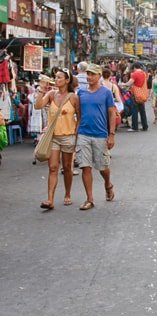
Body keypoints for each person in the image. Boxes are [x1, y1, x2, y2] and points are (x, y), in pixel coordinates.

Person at [34, 67, 81, 210]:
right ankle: (50, 199)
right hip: (53, 137)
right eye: (55, 77)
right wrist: (41, 89)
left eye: (60, 77)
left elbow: (79, 117)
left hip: (68, 137)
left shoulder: (73, 97)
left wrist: (76, 134)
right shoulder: (51, 94)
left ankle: (67, 194)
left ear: (67, 80)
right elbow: (38, 106)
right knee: (53, 168)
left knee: (67, 168)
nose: (56, 79)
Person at [75, 64, 116, 210]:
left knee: (102, 167)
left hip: (100, 134)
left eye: (92, 74)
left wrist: (111, 134)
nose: (89, 77)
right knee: (85, 167)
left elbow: (112, 113)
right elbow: (79, 114)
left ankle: (108, 184)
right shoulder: (81, 93)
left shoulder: (106, 93)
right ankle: (90, 199)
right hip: (83, 134)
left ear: (99, 76)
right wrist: (76, 134)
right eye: (88, 74)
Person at [121, 62, 148, 132]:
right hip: (142, 94)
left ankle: (135, 127)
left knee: (134, 110)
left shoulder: (135, 74)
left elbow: (129, 83)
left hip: (136, 95)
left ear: (134, 67)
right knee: (142, 111)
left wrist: (123, 84)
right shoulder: (144, 73)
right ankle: (145, 126)